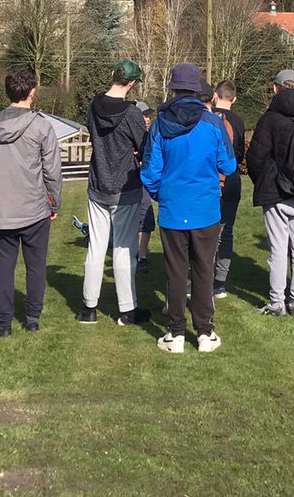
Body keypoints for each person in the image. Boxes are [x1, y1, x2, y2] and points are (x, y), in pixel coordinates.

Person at [140, 63, 237, 353]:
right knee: (204, 269)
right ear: (197, 90)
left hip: (173, 207)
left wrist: (163, 195)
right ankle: (205, 333)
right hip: (206, 208)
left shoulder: (159, 124)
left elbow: (149, 172)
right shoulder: (214, 124)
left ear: (173, 88)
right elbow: (229, 165)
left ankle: (176, 333)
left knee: (176, 271)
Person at [0, 69, 63, 337]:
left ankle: (3, 323)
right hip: (34, 208)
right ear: (32, 92)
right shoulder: (41, 126)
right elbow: (52, 170)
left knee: (4, 266)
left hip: (1, 208)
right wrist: (54, 202)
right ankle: (32, 318)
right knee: (36, 266)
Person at [78, 60, 151, 326]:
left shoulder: (93, 106)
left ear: (112, 75)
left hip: (98, 183)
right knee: (124, 249)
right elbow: (144, 147)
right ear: (131, 83)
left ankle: (89, 309)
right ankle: (127, 311)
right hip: (125, 188)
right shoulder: (132, 114)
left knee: (95, 247)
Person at [246, 70, 294, 316]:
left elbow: (256, 157)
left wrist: (263, 180)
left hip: (275, 190)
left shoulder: (270, 118)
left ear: (276, 88)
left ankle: (277, 301)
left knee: (278, 248)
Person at [211, 80, 246, 298]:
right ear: (234, 99)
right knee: (226, 230)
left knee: (207, 230)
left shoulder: (207, 118)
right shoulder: (239, 122)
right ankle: (220, 281)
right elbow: (240, 154)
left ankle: (200, 275)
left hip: (211, 178)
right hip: (232, 178)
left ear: (215, 95)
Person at [135, 101, 155, 274]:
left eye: (149, 115)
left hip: (144, 182)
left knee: (145, 217)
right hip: (128, 181)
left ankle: (142, 256)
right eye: (144, 115)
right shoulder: (128, 133)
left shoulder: (150, 134)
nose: (147, 119)